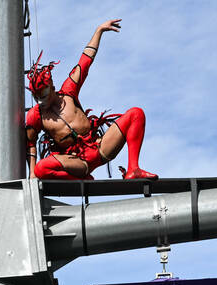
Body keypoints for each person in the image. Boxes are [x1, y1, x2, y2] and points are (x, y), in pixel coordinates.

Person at [25, 19, 156, 182]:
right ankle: (83, 179)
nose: (39, 100)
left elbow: (85, 61)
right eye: (35, 96)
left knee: (136, 114)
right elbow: (30, 142)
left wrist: (99, 30)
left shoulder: (68, 91)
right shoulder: (35, 115)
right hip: (76, 162)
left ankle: (133, 169)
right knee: (41, 169)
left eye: (42, 95)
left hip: (101, 147)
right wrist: (31, 174)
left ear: (51, 87)